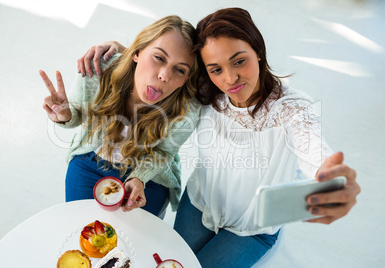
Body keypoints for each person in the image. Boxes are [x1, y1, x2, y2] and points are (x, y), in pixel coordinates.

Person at [78, 8, 360, 267]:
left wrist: (329, 176)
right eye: (216, 69)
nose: (231, 79)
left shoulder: (294, 108)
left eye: (240, 61)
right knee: (166, 262)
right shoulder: (207, 92)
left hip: (255, 227)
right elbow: (163, 66)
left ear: (258, 51)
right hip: (199, 205)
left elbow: (313, 148)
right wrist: (118, 49)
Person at [40, 15, 201, 217]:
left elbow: (164, 153)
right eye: (159, 58)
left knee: (135, 242)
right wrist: (64, 115)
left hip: (150, 178)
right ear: (137, 52)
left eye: (180, 70)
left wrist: (139, 178)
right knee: (81, 227)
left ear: (186, 78)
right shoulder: (97, 69)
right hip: (90, 162)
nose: (164, 76)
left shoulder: (187, 108)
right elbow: (77, 116)